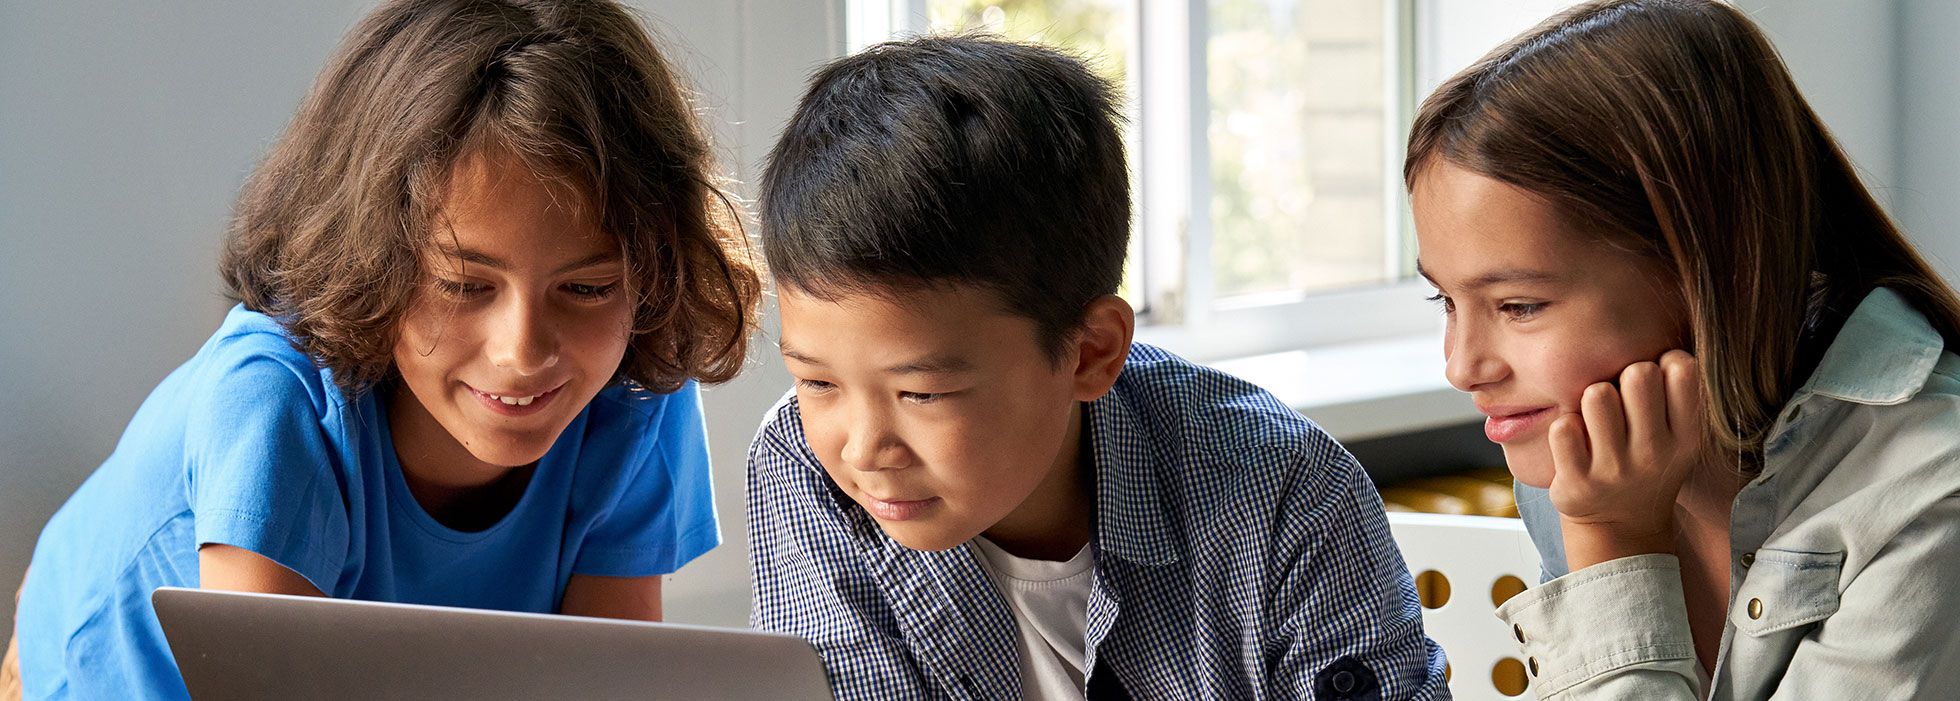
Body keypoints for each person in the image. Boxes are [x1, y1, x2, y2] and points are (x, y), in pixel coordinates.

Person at [7, 1, 761, 697]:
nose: (524, 351)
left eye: (589, 289)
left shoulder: (629, 390)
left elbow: (604, 681)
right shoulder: (275, 405)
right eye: (465, 286)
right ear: (373, 257)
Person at [745, 34, 1447, 700]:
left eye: (922, 392)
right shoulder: (803, 469)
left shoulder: (1284, 494)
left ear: (1092, 352)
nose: (863, 445)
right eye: (817, 381)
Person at [1406, 0, 1960, 697]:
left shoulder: (1932, 489)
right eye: (1446, 301)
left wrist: (1612, 546)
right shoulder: (1582, 457)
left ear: (1720, 273)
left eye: (1519, 306)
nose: (1463, 366)